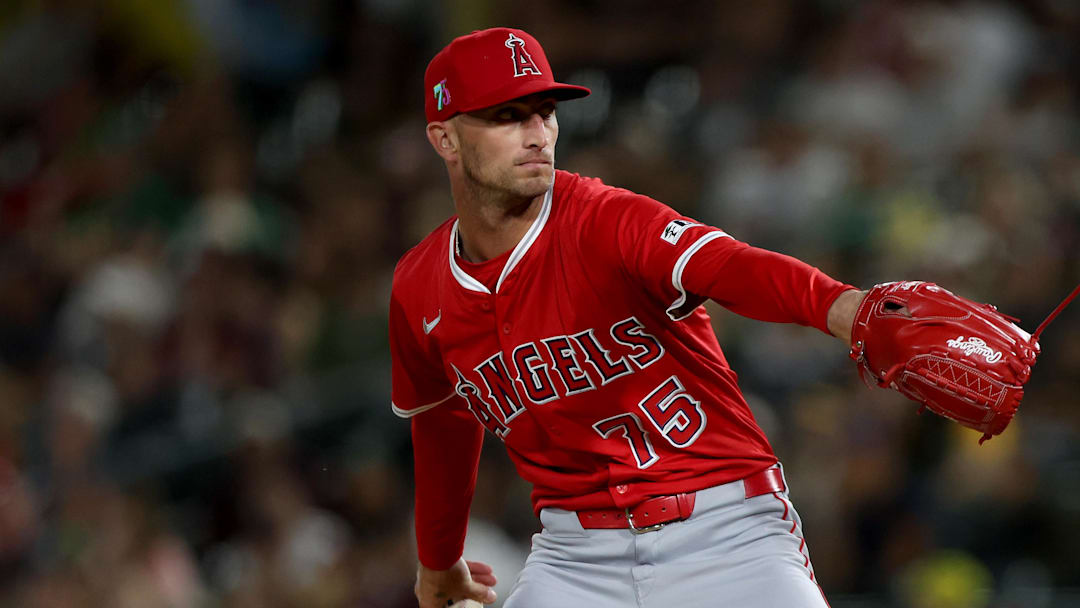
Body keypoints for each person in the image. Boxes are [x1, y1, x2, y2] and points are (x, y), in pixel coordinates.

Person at [389, 27, 866, 608]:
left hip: (725, 531)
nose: (538, 134)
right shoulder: (419, 287)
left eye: (544, 112)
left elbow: (729, 266)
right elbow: (442, 421)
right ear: (445, 139)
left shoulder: (605, 219)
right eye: (508, 116)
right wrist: (438, 564)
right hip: (574, 558)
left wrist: (845, 307)